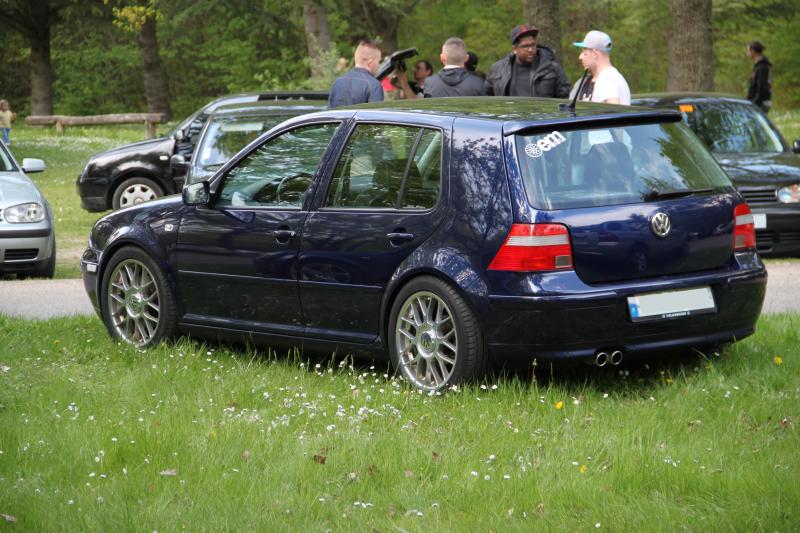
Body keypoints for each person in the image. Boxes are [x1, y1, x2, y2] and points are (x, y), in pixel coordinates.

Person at [485, 24, 571, 98]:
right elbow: (487, 98)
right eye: (525, 46)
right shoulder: (498, 69)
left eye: (533, 45)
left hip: (542, 116)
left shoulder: (552, 68)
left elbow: (565, 97)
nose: (530, 50)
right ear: (515, 49)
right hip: (509, 116)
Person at [572, 30, 630, 105]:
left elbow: (614, 109)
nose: (580, 57)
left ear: (595, 54)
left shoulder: (606, 79)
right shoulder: (614, 76)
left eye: (585, 53)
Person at [328, 40, 383, 108]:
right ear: (370, 62)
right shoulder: (374, 86)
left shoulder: (337, 82)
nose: (379, 65)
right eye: (379, 61)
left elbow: (329, 114)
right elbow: (375, 116)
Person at [747, 41, 772, 113]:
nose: (747, 53)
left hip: (760, 103)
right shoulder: (760, 66)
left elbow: (762, 87)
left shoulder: (762, 67)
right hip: (759, 102)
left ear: (753, 51)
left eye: (748, 50)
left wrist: (754, 103)